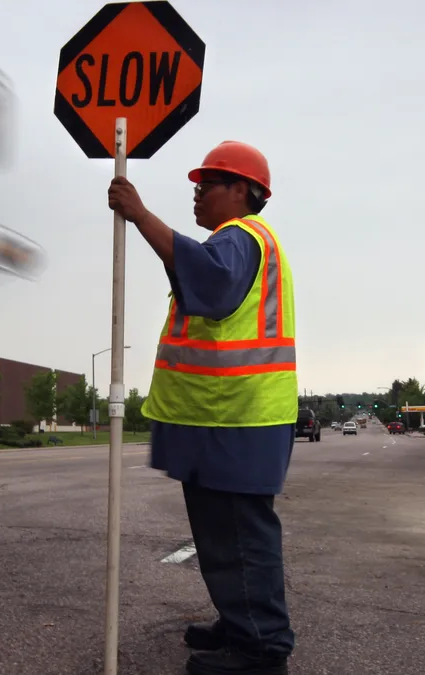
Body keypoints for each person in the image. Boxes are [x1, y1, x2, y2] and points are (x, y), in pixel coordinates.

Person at [107, 140, 297, 675]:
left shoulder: (240, 238)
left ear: (243, 192)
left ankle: (262, 648)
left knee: (238, 534)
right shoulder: (233, 244)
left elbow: (209, 286)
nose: (197, 194)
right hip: (224, 418)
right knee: (223, 533)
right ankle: (241, 623)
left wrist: (140, 214)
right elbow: (199, 286)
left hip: (236, 417)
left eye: (207, 185)